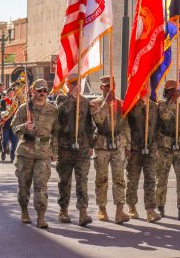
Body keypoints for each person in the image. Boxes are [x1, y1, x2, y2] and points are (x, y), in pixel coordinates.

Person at [11, 79, 60, 229]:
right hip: (26, 151)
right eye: (39, 90)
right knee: (24, 185)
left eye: (45, 90)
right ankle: (24, 211)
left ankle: (41, 216)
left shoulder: (52, 110)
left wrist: (55, 151)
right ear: (33, 91)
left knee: (41, 186)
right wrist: (24, 126)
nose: (42, 93)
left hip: (43, 152)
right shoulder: (24, 108)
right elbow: (13, 126)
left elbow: (56, 132)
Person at [90, 75, 131, 224]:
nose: (108, 89)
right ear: (101, 88)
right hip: (102, 144)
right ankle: (102, 209)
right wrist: (106, 103)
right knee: (101, 178)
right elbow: (98, 120)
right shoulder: (95, 104)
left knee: (119, 178)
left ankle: (120, 211)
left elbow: (126, 126)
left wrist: (128, 146)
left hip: (118, 144)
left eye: (111, 86)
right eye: (106, 86)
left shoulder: (120, 104)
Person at [55, 80, 94, 226]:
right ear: (67, 86)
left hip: (82, 147)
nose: (76, 86)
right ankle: (63, 210)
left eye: (77, 83)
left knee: (82, 180)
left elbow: (89, 125)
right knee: (64, 181)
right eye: (72, 84)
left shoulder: (85, 102)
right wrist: (72, 96)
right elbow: (62, 111)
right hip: (65, 147)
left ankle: (83, 212)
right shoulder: (62, 99)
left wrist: (91, 144)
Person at [155, 80, 180, 221]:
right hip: (164, 146)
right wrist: (173, 100)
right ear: (166, 92)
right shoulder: (162, 103)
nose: (173, 93)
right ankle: (159, 205)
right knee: (161, 178)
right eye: (170, 91)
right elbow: (165, 116)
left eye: (174, 90)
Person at [126, 89, 161, 223]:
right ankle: (132, 206)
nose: (147, 90)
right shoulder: (134, 104)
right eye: (144, 87)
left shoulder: (154, 106)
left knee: (151, 179)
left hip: (151, 147)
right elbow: (132, 117)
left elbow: (158, 127)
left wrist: (156, 145)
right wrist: (141, 101)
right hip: (135, 147)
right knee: (132, 179)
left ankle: (150, 210)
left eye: (148, 87)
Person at [0, 87, 19, 162]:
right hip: (6, 124)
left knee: (14, 142)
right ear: (7, 93)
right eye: (9, 92)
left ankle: (12, 157)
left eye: (12, 92)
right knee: (5, 141)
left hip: (14, 124)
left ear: (14, 93)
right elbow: (0, 109)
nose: (11, 93)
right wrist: (2, 112)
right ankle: (3, 151)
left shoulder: (16, 101)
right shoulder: (3, 101)